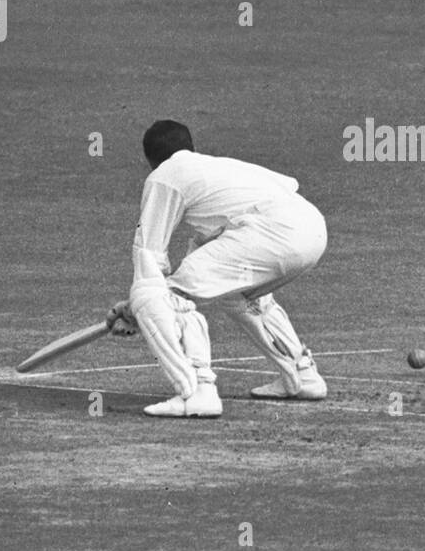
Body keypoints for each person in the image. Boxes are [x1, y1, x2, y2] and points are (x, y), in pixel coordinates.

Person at [109, 120, 329, 418]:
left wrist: (140, 306)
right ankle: (301, 375)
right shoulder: (214, 170)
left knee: (153, 292)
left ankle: (197, 391)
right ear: (191, 148)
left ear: (150, 160)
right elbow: (208, 260)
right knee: (229, 291)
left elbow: (149, 253)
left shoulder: (165, 175)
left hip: (271, 232)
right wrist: (141, 307)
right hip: (311, 228)